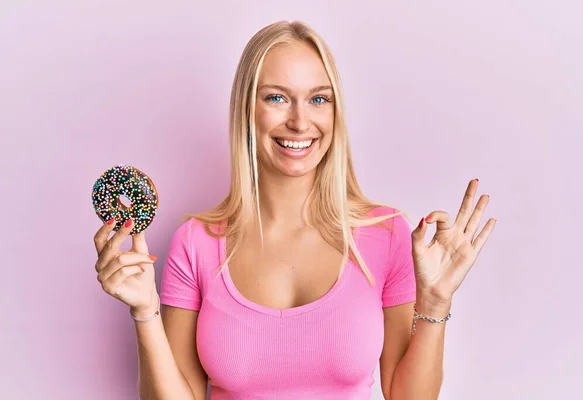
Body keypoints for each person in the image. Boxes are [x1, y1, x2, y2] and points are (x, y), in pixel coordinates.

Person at [93, 20, 496, 400]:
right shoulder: (196, 243)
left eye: (319, 99)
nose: (300, 122)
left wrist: (436, 301)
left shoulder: (387, 234)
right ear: (247, 109)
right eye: (277, 98)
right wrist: (145, 312)